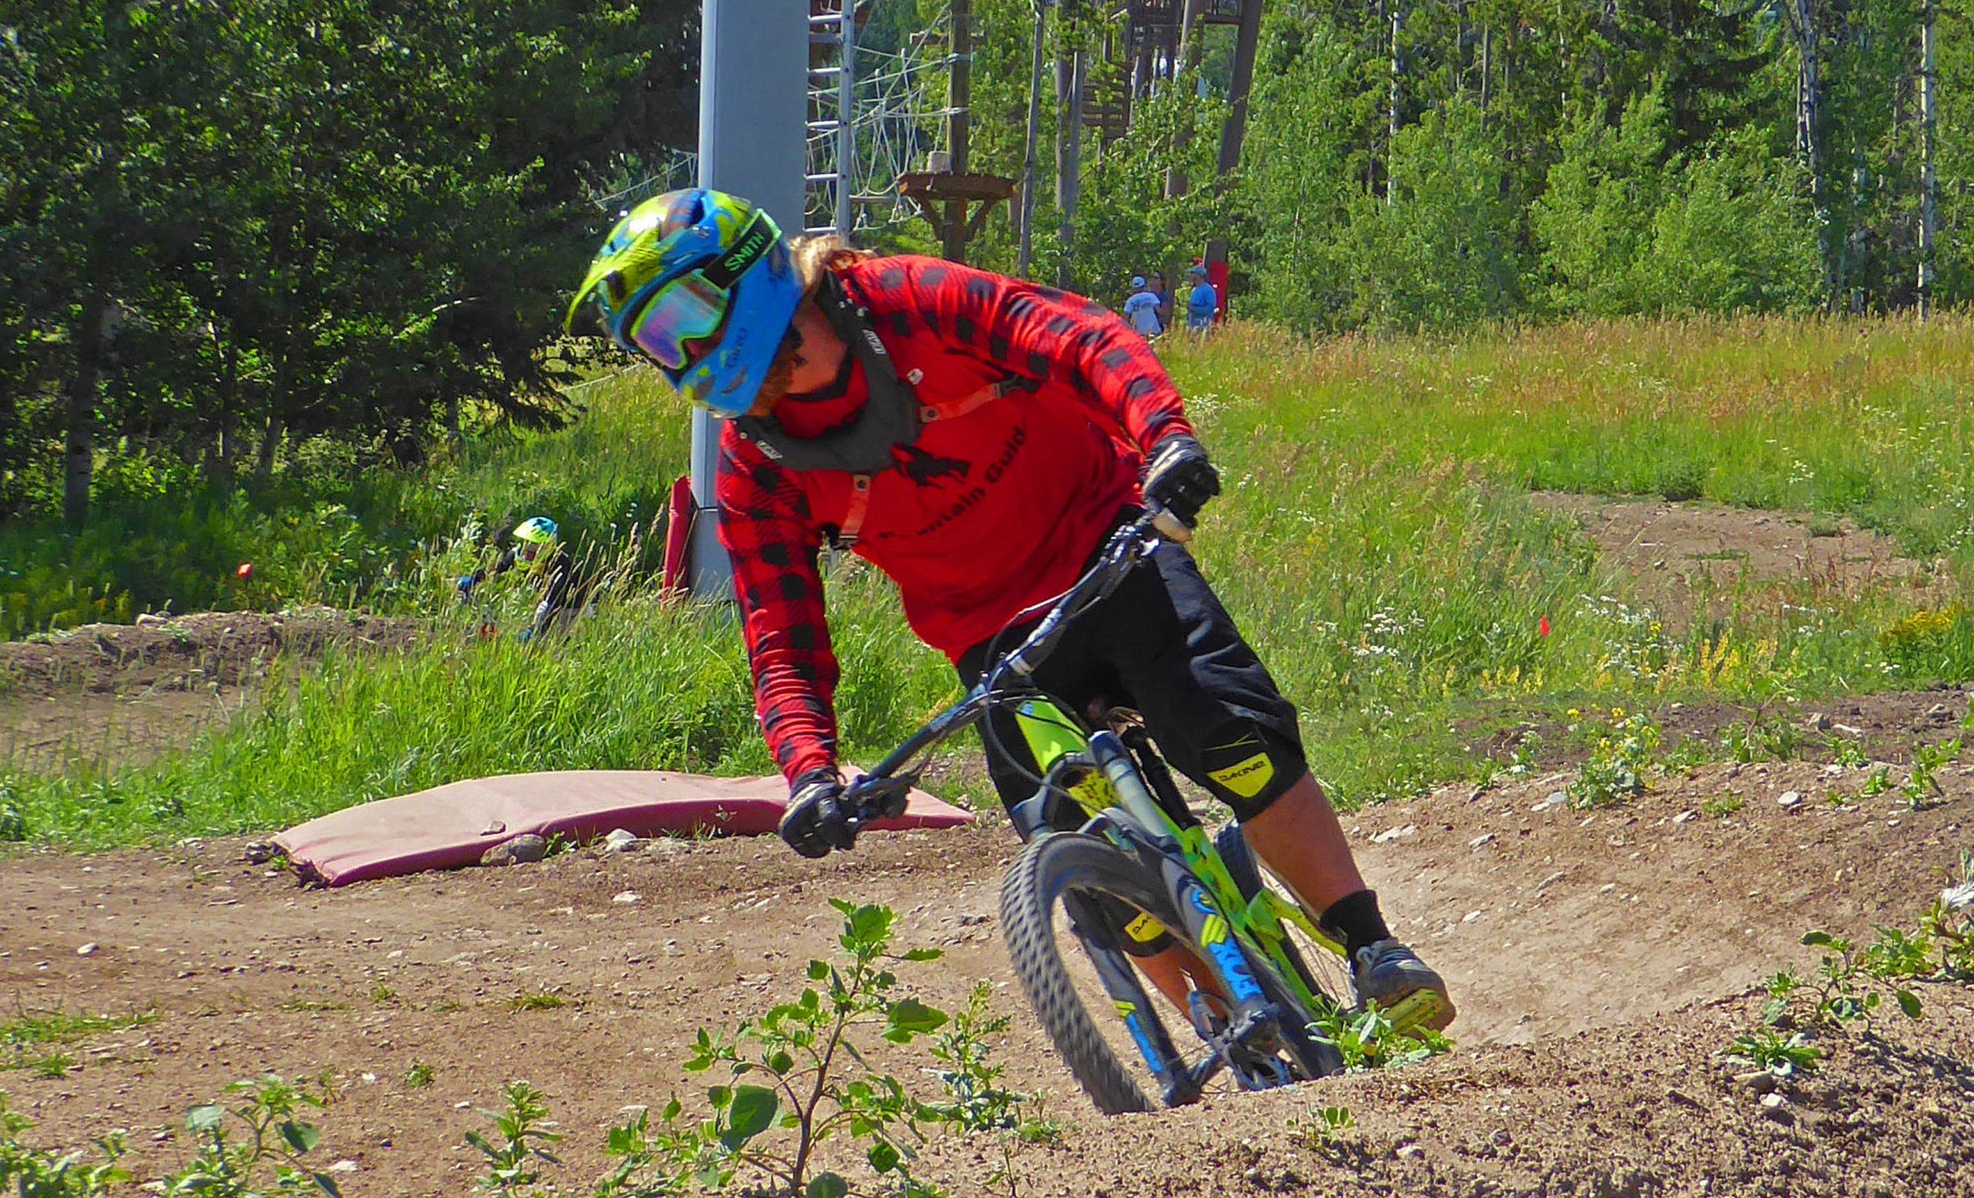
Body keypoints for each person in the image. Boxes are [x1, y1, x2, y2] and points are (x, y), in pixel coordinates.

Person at [571, 188, 1454, 1030]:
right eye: (652, 342)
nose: (674, 353)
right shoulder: (755, 463)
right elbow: (780, 633)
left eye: (677, 318)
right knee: (1085, 864)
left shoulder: (903, 299)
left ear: (745, 273)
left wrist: (1165, 435)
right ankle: (1237, 1036)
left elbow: (1074, 336)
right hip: (989, 635)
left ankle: (1372, 945)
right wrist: (808, 770)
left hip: (1106, 543)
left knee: (1231, 735)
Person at [456, 517, 589, 642]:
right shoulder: (518, 553)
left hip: (572, 608)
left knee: (548, 644)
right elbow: (497, 567)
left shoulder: (560, 566)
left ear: (547, 546)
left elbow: (551, 604)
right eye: (526, 541)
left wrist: (534, 631)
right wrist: (473, 580)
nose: (528, 547)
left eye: (534, 544)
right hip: (548, 602)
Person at [1122, 274, 1165, 339]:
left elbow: (1125, 318)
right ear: (1144, 286)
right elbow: (1159, 311)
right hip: (1154, 329)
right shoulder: (1151, 296)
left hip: (1139, 333)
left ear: (1133, 287)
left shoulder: (1130, 300)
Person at [1184, 261, 1219, 332]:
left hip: (1204, 327)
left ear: (1199, 275)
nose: (1190, 275)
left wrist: (1194, 309)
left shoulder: (1208, 290)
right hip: (1192, 326)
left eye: (1192, 273)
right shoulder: (1194, 290)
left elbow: (1210, 309)